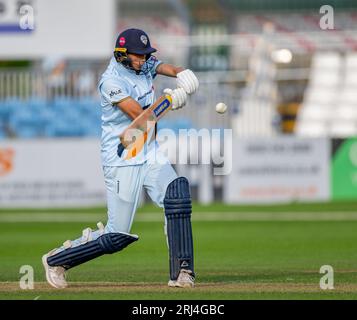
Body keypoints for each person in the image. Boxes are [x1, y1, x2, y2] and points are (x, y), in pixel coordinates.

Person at [41, 28, 199, 289]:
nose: (144, 60)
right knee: (117, 235)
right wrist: (169, 100)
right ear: (123, 55)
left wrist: (181, 71)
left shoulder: (142, 64)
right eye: (139, 55)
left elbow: (162, 67)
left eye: (146, 55)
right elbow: (139, 120)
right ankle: (58, 259)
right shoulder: (111, 81)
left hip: (149, 152)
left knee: (177, 196)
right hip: (122, 157)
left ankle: (182, 272)